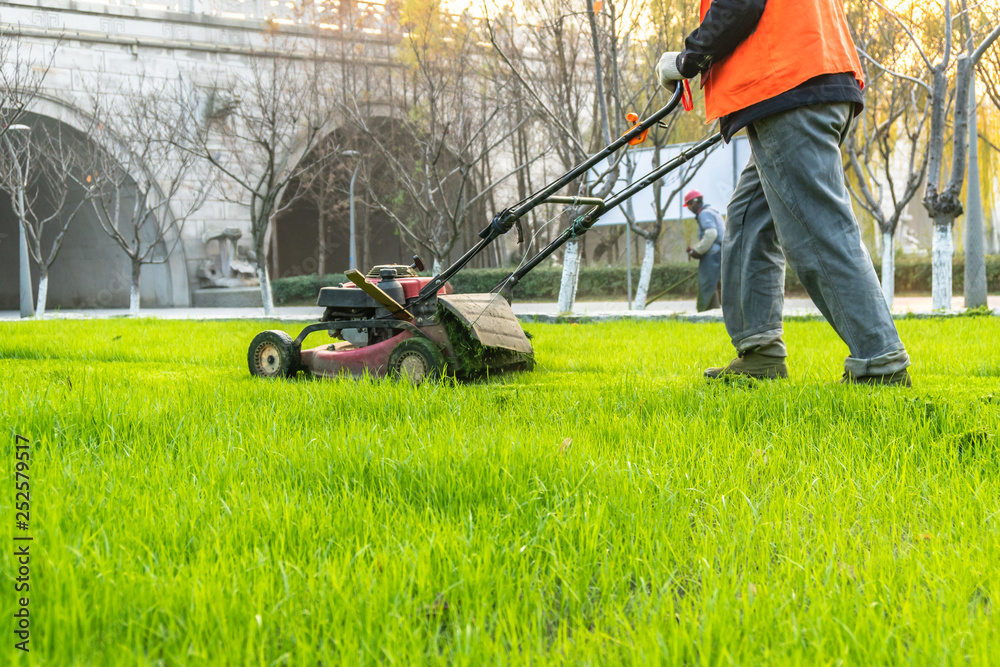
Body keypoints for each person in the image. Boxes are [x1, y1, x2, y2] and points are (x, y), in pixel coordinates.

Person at [656, 0, 911, 385]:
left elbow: (739, 3)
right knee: (748, 221)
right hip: (805, 82)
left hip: (791, 86)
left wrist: (690, 58)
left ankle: (881, 363)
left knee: (818, 232)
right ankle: (761, 354)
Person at [683, 189, 723, 312]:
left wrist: (697, 251)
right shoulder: (714, 212)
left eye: (689, 205)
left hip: (712, 255)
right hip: (720, 254)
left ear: (695, 202)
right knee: (716, 285)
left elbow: (711, 233)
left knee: (707, 285)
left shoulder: (704, 214)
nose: (689, 208)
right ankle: (717, 313)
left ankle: (704, 313)